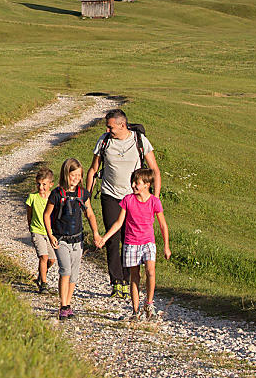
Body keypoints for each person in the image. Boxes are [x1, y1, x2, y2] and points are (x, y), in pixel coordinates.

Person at [86, 108, 161, 298]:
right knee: (113, 239)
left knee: (130, 241)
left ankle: (127, 281)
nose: (108, 129)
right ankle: (116, 281)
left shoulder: (139, 141)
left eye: (111, 127)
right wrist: (86, 195)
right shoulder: (104, 141)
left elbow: (155, 170)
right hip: (110, 195)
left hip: (133, 198)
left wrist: (154, 198)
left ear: (122, 125)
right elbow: (93, 169)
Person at [95, 168, 171, 321]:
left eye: (137, 183)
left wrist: (166, 246)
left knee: (151, 271)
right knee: (134, 276)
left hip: (148, 242)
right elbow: (118, 223)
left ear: (147, 184)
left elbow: (163, 225)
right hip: (131, 243)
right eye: (133, 182)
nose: (134, 186)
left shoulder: (154, 202)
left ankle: (149, 303)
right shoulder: (128, 200)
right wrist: (105, 238)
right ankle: (136, 311)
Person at [43, 158, 101, 321]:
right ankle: (63, 306)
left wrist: (95, 232)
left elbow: (89, 213)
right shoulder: (56, 194)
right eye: (72, 175)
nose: (75, 178)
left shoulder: (83, 194)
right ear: (65, 174)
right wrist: (50, 235)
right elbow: (46, 215)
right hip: (61, 239)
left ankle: (68, 304)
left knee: (74, 274)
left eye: (78, 175)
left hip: (77, 239)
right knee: (65, 270)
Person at [25, 166, 56, 293]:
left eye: (44, 184)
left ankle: (40, 274)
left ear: (50, 184)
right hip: (37, 231)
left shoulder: (53, 198)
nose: (41, 187)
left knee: (51, 260)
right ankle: (44, 283)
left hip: (49, 232)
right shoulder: (32, 197)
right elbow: (29, 213)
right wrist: (31, 228)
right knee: (43, 257)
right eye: (38, 184)